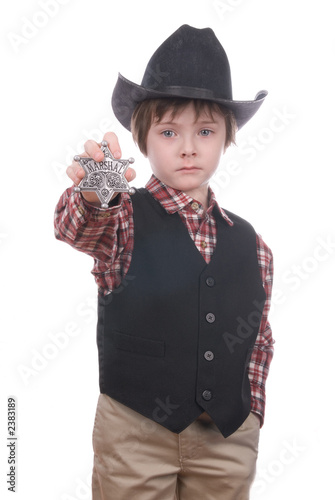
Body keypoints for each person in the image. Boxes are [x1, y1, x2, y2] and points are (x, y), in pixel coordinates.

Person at [54, 24, 274, 500]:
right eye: (170, 131)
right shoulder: (124, 216)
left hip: (226, 439)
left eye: (206, 131)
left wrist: (251, 414)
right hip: (135, 435)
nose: (189, 146)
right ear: (143, 138)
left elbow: (258, 337)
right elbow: (78, 227)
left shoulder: (252, 243)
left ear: (226, 140)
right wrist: (97, 190)